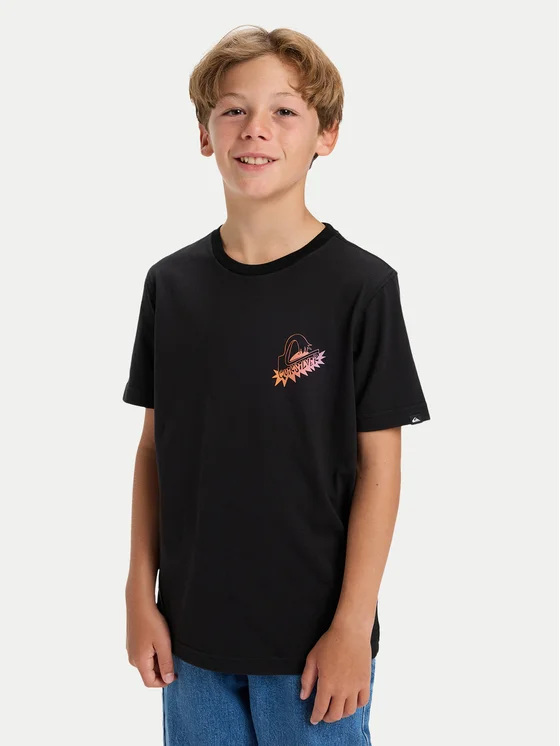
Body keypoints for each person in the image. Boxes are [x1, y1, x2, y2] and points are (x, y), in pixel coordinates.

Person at [122, 24, 431, 746]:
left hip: (316, 647)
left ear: (327, 135)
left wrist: (352, 625)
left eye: (284, 111)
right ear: (205, 134)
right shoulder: (171, 285)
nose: (255, 129)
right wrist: (140, 589)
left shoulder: (361, 286)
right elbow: (154, 450)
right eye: (233, 109)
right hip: (191, 641)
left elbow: (380, 469)